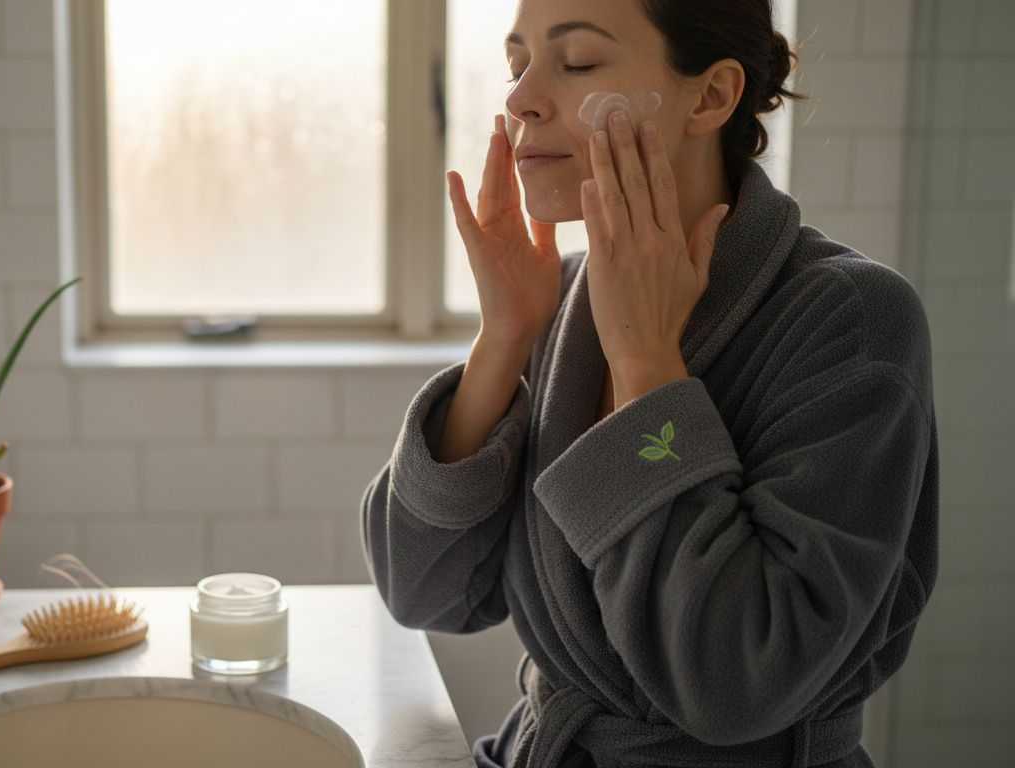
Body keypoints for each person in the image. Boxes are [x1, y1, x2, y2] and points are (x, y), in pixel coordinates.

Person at [359, 1, 939, 766]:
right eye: (517, 62)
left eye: (577, 63)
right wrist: (503, 338)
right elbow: (424, 594)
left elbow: (738, 683)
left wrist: (645, 365)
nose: (519, 98)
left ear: (711, 96)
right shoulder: (563, 300)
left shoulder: (851, 317)